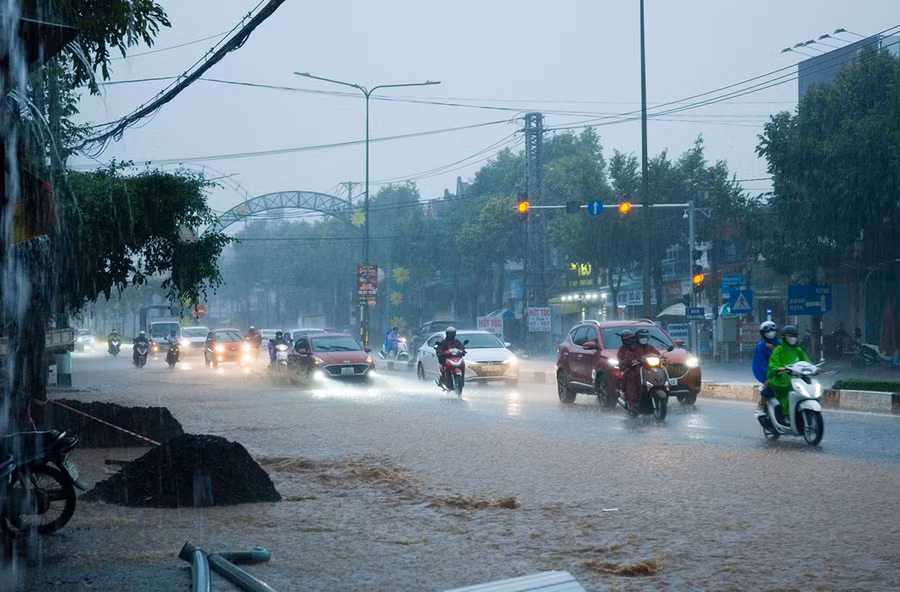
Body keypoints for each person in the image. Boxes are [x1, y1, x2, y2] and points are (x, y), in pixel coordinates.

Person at [766, 324, 810, 424]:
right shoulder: (778, 350)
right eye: (789, 336)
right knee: (788, 393)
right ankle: (786, 415)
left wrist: (813, 367)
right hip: (780, 379)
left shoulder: (798, 350)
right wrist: (779, 369)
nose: (792, 338)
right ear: (784, 337)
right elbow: (773, 365)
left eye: (794, 336)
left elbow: (807, 362)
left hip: (797, 379)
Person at [617, 328, 661, 415]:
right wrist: (630, 363)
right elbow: (625, 360)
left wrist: (662, 359)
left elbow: (657, 355)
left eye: (645, 337)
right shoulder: (628, 348)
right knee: (632, 379)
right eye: (626, 340)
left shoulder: (649, 347)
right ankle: (632, 404)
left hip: (649, 371)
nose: (629, 341)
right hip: (635, 371)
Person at [753, 321, 779, 411]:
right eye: (767, 331)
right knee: (768, 390)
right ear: (763, 334)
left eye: (772, 330)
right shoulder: (760, 347)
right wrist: (767, 377)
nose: (770, 333)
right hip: (771, 375)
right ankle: (761, 406)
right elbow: (760, 364)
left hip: (785, 373)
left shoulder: (782, 344)